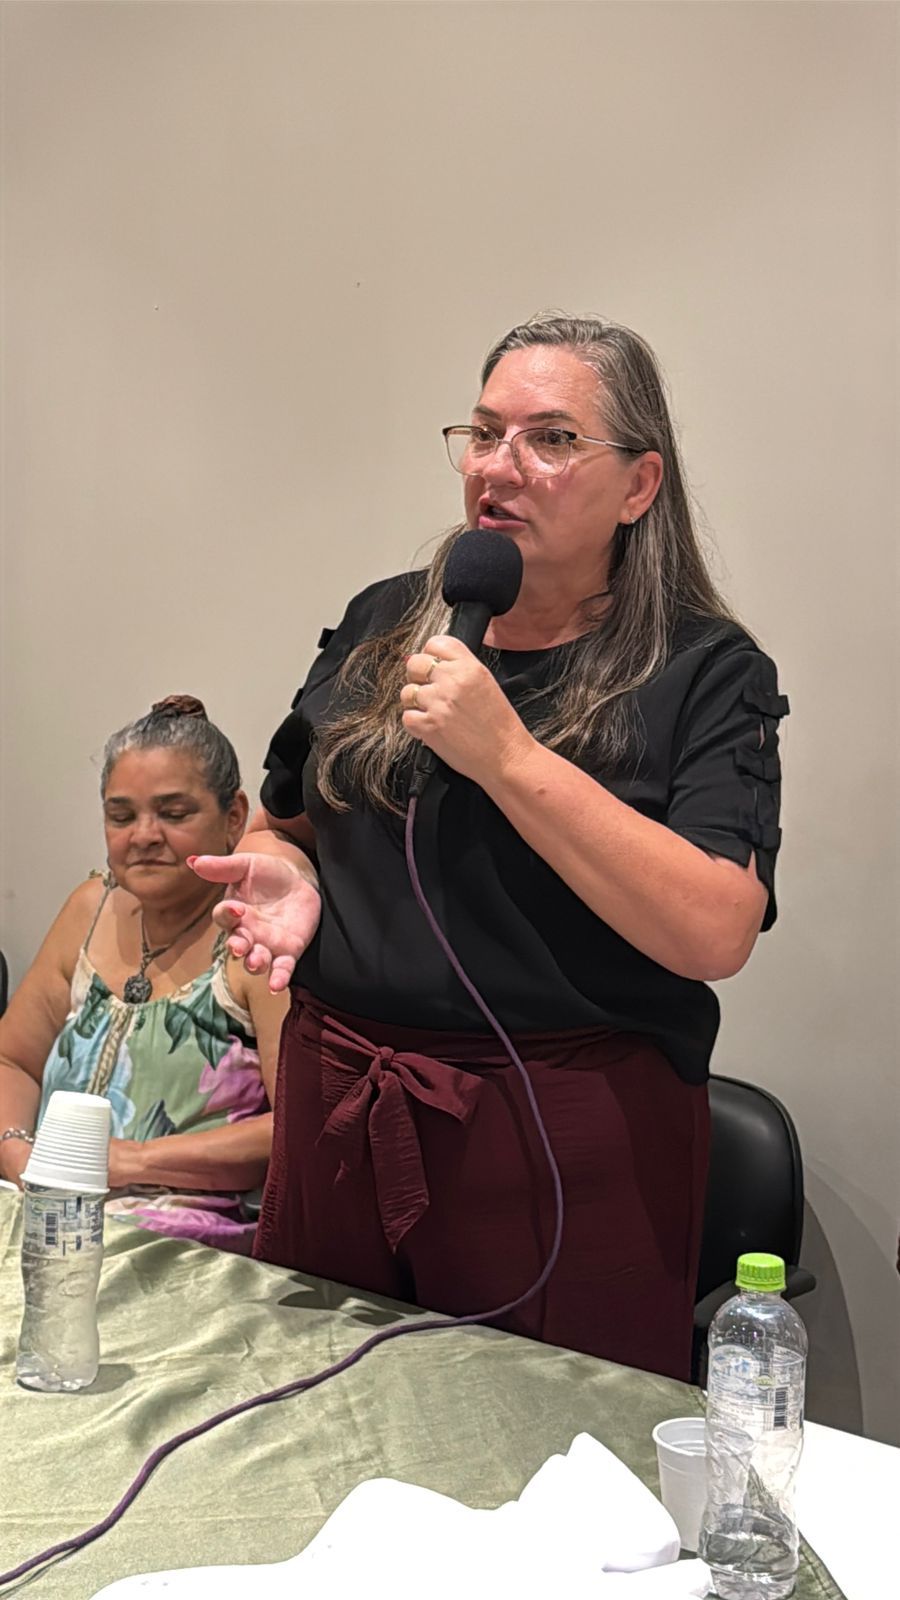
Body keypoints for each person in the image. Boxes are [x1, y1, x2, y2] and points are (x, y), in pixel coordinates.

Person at [192, 314, 787, 1376]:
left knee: (541, 1447)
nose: (497, 467)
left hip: (556, 1139)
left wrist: (506, 755)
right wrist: (287, 874)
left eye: (551, 439)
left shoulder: (704, 668)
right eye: (482, 433)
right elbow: (283, 820)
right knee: (316, 1421)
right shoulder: (386, 622)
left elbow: (714, 930)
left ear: (639, 485)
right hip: (341, 1107)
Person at [0, 697, 288, 1253]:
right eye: (121, 816)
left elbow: (297, 1129)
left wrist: (130, 1160)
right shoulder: (89, 909)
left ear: (233, 816)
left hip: (188, 1247)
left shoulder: (255, 935)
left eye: (174, 814)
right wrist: (14, 1149)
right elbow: (12, 1060)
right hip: (45, 1214)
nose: (144, 835)